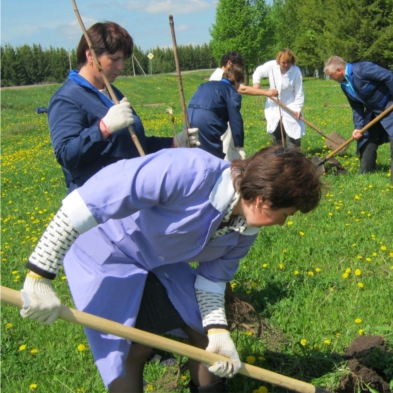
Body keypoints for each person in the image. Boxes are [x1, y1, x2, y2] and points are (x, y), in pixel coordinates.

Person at [19, 146, 323, 392]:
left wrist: (218, 331)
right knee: (130, 346)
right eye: (286, 214)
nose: (283, 223)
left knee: (203, 336)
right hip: (105, 247)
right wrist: (39, 275)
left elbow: (211, 281)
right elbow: (88, 203)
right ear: (262, 200)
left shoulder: (243, 229)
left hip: (159, 258)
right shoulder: (187, 171)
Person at [48, 21, 199, 193]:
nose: (121, 66)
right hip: (97, 200)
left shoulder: (112, 93)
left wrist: (174, 143)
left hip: (127, 194)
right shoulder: (68, 99)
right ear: (90, 56)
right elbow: (66, 155)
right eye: (114, 59)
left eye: (122, 59)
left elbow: (132, 144)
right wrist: (103, 128)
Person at [324, 56, 393, 181]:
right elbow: (357, 107)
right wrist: (358, 127)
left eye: (331, 75)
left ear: (339, 70)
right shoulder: (344, 85)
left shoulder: (363, 69)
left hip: (392, 105)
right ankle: (366, 173)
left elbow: (388, 76)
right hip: (374, 111)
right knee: (365, 137)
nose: (331, 78)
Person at [209, 51, 277, 160]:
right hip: (222, 119)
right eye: (237, 68)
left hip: (223, 116)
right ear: (229, 63)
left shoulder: (221, 74)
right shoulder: (219, 76)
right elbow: (241, 88)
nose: (238, 71)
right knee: (226, 149)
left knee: (229, 148)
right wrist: (266, 92)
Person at [188, 65, 246, 160]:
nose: (238, 88)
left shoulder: (204, 85)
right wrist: (239, 146)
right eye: (239, 84)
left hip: (189, 116)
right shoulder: (231, 92)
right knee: (214, 157)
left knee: (196, 154)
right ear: (236, 81)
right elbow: (235, 119)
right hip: (206, 120)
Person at [252, 49, 305, 149]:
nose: (285, 65)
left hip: (291, 105)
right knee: (277, 135)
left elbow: (299, 92)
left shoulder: (296, 71)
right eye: (283, 62)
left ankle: (294, 159)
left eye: (288, 62)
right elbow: (258, 71)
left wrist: (297, 108)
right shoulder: (271, 66)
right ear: (278, 61)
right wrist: (256, 83)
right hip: (274, 106)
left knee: (294, 133)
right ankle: (279, 159)